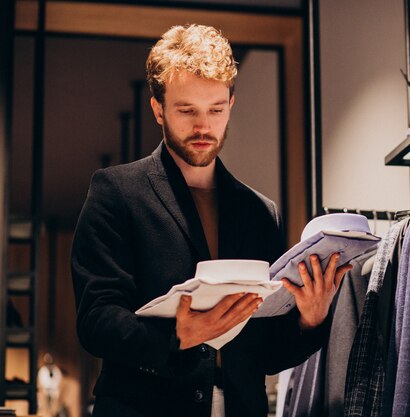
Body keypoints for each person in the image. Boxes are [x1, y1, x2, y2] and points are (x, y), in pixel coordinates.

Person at [71, 24, 351, 417]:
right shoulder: (116, 192)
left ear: (231, 104)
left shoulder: (259, 211)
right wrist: (176, 337)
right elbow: (96, 320)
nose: (203, 127)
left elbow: (266, 352)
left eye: (216, 110)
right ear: (158, 109)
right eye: (187, 110)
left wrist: (311, 318)